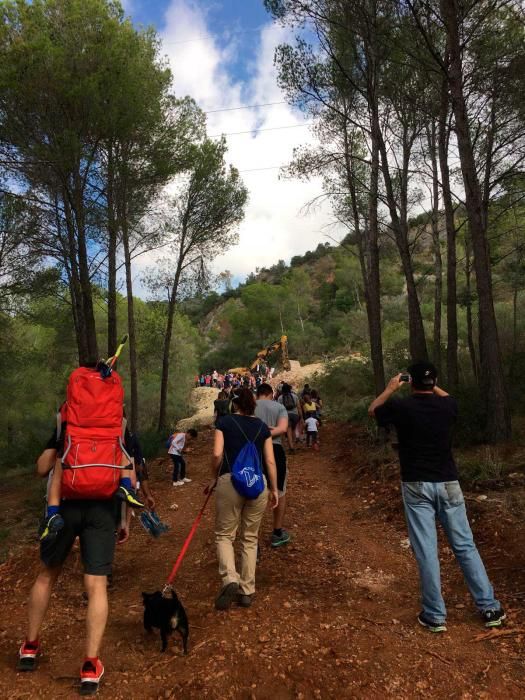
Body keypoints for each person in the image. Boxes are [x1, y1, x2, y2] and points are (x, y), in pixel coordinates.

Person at [18, 367, 132, 693]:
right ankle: (89, 665)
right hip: (103, 508)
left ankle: (29, 646)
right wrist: (123, 519)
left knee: (47, 574)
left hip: (65, 503)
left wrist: (57, 448)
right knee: (96, 585)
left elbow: (43, 469)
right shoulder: (117, 420)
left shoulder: (66, 418)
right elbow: (126, 467)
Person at [368, 362, 505, 632]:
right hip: (449, 483)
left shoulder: (401, 406)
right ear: (435, 382)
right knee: (465, 546)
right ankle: (489, 607)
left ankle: (435, 615)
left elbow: (373, 410)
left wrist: (391, 387)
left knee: (427, 551)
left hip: (416, 485)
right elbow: (448, 397)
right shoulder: (447, 407)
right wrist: (431, 383)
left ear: (412, 382)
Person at [212, 388, 279, 610]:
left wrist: (215, 477)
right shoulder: (262, 427)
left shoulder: (225, 423)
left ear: (234, 404)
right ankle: (247, 590)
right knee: (250, 538)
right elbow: (270, 461)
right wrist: (274, 489)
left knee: (225, 535)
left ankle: (230, 577)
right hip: (257, 484)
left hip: (230, 480)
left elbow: (216, 454)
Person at [255, 383, 290, 547]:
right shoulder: (279, 407)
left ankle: (252, 536)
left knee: (253, 491)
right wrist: (268, 431)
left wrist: (257, 434)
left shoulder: (250, 406)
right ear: (270, 393)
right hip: (275, 450)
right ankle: (277, 532)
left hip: (253, 450)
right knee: (280, 491)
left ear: (258, 394)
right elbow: (283, 429)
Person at [278, 383, 303, 452]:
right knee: (293, 429)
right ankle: (293, 446)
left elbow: (279, 409)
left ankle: (290, 447)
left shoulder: (280, 398)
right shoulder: (295, 396)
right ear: (290, 389)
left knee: (288, 430)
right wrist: (301, 417)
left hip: (285, 415)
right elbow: (299, 407)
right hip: (295, 415)